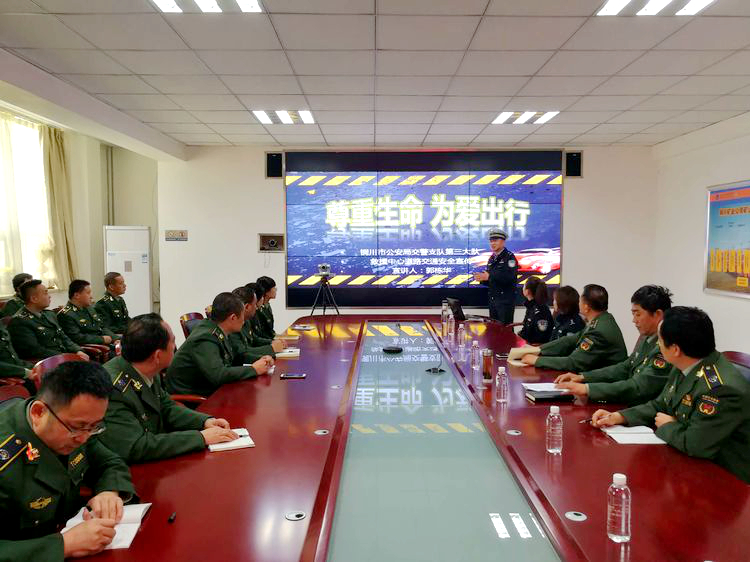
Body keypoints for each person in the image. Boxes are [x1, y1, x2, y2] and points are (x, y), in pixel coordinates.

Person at [592, 307, 750, 484]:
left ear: (675, 349)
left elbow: (695, 445)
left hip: (723, 481)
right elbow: (660, 405)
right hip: (686, 463)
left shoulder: (720, 389)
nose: (657, 345)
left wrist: (667, 425)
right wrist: (619, 417)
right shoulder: (686, 364)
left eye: (659, 340)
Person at [0, 361, 135, 559]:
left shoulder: (77, 424)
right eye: (77, 428)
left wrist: (109, 491)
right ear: (38, 412)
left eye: (94, 426)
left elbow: (109, 462)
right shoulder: (6, 457)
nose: (84, 438)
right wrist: (63, 545)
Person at [99, 313, 238, 464]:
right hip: (132, 467)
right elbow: (136, 447)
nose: (175, 347)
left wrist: (204, 421)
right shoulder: (113, 388)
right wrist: (200, 438)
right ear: (157, 356)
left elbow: (166, 407)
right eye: (173, 342)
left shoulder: (145, 367)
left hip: (154, 453)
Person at [555, 285, 673, 405]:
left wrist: (588, 389)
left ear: (657, 314)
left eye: (638, 314)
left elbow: (638, 387)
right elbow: (625, 367)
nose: (634, 320)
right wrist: (583, 377)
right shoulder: (648, 338)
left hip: (642, 409)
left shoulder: (667, 347)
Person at [165, 292, 273, 397]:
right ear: (233, 318)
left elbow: (237, 356)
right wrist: (254, 369)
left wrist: (261, 360)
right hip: (193, 397)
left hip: (209, 389)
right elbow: (218, 375)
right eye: (242, 316)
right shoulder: (205, 337)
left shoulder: (217, 329)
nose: (244, 321)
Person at [521, 284, 627, 372]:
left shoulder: (598, 330)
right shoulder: (603, 319)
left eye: (580, 300)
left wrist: (537, 360)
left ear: (586, 307)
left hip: (604, 384)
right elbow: (570, 340)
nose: (578, 303)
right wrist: (539, 349)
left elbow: (574, 362)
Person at [8, 280, 89, 361]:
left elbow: (64, 338)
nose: (49, 296)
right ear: (34, 299)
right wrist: (65, 356)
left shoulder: (49, 314)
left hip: (64, 357)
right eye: (45, 293)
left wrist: (77, 350)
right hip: (48, 362)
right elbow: (35, 351)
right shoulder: (19, 321)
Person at [230, 286, 285, 365]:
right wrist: (271, 348)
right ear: (247, 307)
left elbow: (254, 339)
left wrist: (272, 342)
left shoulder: (246, 321)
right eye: (255, 304)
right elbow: (241, 353)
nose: (256, 308)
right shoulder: (232, 324)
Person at [473, 228, 518, 324]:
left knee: (505, 329)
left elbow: (509, 277)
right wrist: (482, 279)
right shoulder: (492, 258)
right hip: (493, 301)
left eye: (495, 240)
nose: (492, 243)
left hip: (505, 302)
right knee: (494, 328)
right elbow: (492, 280)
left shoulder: (510, 257)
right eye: (491, 241)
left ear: (503, 242)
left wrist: (489, 277)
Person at [58, 280, 117, 349]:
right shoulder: (66, 315)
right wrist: (101, 339)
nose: (91, 296)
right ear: (77, 295)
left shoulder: (89, 308)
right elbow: (77, 338)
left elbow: (101, 327)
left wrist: (115, 339)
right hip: (92, 349)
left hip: (105, 344)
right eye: (88, 293)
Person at [517, 277, 553, 345]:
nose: (522, 288)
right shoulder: (531, 307)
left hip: (535, 346)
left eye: (524, 286)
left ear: (527, 291)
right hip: (527, 343)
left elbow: (540, 337)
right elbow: (526, 329)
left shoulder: (541, 310)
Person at [254, 276, 277, 340]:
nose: (276, 290)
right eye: (274, 288)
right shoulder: (258, 309)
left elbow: (270, 330)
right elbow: (261, 333)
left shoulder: (267, 306)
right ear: (266, 291)